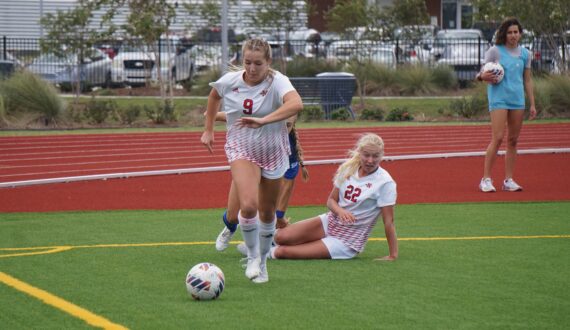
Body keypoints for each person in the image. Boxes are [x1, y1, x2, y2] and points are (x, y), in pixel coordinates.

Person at [201, 38, 303, 283]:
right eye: (248, 62)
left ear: (268, 62)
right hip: (241, 148)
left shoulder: (278, 81)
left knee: (267, 214)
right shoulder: (231, 81)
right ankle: (253, 256)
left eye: (258, 63)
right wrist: (209, 129)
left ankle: (263, 261)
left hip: (273, 151)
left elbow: (296, 103)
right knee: (248, 206)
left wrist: (264, 120)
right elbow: (214, 97)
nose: (252, 68)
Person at [246, 133, 397, 261]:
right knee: (280, 237)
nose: (370, 160)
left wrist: (393, 255)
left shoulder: (385, 182)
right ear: (360, 153)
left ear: (382, 155)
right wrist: (340, 212)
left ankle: (259, 255)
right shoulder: (348, 168)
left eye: (375, 156)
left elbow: (388, 221)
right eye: (366, 155)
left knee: (282, 252)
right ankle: (259, 244)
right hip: (330, 221)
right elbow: (331, 201)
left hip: (346, 241)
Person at [215, 115, 309, 252]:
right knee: (233, 216)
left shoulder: (289, 150)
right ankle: (230, 227)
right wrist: (215, 115)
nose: (282, 130)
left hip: (272, 166)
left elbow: (287, 184)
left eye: (287, 126)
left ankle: (259, 247)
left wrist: (280, 216)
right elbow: (238, 116)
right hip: (249, 156)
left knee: (267, 213)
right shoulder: (261, 112)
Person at [475, 17, 537, 193]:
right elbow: (480, 73)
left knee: (513, 140)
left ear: (520, 34)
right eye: (509, 32)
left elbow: (527, 80)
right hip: (498, 99)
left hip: (517, 100)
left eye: (516, 32)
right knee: (499, 137)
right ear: (504, 33)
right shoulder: (495, 51)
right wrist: (482, 77)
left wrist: (532, 103)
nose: (513, 35)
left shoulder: (525, 54)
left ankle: (508, 180)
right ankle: (485, 179)